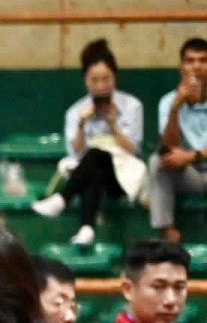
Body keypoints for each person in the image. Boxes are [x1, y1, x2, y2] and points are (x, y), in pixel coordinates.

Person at [33, 38, 146, 249]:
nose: (101, 86)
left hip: (122, 177)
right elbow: (75, 153)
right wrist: (81, 126)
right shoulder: (76, 112)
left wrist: (113, 126)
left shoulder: (132, 106)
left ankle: (62, 199)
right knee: (95, 165)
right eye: (95, 80)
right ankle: (87, 229)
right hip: (90, 176)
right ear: (85, 80)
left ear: (115, 76)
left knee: (98, 155)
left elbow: (134, 150)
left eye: (106, 79)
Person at [150, 37, 207, 270]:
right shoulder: (168, 101)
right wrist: (175, 108)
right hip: (187, 176)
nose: (196, 67)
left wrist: (194, 155)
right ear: (181, 67)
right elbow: (169, 147)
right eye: (189, 61)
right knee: (156, 162)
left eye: (203, 60)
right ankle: (166, 233)